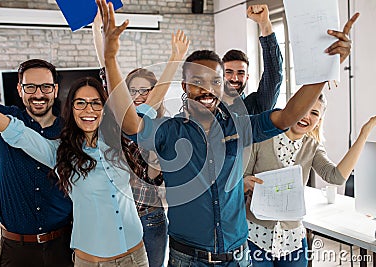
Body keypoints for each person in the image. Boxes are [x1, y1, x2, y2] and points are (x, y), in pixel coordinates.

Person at [97, 1, 356, 266]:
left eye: (215, 81)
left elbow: (288, 115)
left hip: (238, 257)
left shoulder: (240, 125)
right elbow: (130, 125)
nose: (207, 89)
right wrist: (110, 59)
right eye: (197, 82)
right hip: (188, 259)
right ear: (185, 85)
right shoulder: (170, 131)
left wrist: (326, 71)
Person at [0, 77, 150, 266]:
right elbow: (15, 131)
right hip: (93, 261)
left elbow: (148, 109)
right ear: (71, 108)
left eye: (96, 103)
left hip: (136, 255)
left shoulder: (120, 141)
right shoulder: (58, 152)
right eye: (80, 103)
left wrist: (177, 55)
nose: (88, 109)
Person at [93, 17, 190, 266]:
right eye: (132, 90)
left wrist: (156, 164)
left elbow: (159, 175)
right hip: (117, 218)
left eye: (144, 90)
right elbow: (106, 69)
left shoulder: (162, 128)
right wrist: (97, 27)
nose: (137, 96)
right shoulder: (117, 120)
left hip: (151, 218)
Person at [244, 92, 373, 267]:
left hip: (292, 240)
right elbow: (240, 179)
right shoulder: (262, 137)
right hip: (255, 236)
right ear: (292, 108)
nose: (306, 116)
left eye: (314, 113)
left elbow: (336, 177)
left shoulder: (312, 147)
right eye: (303, 109)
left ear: (319, 120)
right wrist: (245, 183)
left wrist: (364, 134)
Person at [0, 59, 73, 267]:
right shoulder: (3, 120)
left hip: (63, 245)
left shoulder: (71, 130)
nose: (38, 94)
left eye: (46, 87)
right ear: (20, 89)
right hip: (16, 249)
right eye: (30, 87)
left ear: (55, 90)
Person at [222, 4, 283, 115]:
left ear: (247, 77)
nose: (235, 78)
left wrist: (265, 24)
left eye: (240, 73)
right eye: (229, 72)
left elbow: (274, 75)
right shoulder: (209, 106)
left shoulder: (256, 105)